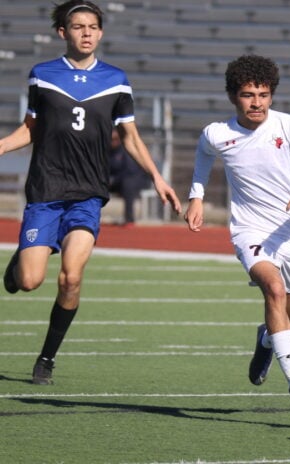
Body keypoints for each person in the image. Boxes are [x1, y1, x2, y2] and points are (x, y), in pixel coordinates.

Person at [0, 0, 181, 385]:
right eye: (78, 26)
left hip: (87, 194)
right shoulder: (42, 75)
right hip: (46, 190)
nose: (86, 32)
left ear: (100, 33)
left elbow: (130, 136)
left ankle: (46, 358)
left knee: (71, 278)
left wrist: (157, 178)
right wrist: (1, 145)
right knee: (30, 281)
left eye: (92, 27)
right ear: (63, 33)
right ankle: (18, 267)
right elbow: (30, 127)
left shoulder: (116, 79)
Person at [184, 55, 290, 414]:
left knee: (287, 314)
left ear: (272, 94)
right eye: (247, 95)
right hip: (250, 230)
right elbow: (202, 155)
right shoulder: (217, 133)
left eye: (263, 94)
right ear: (233, 97)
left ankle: (266, 339)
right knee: (272, 289)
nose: (256, 102)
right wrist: (197, 196)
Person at [109, 128, 150, 225]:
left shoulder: (126, 150)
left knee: (128, 183)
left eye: (115, 139)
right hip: (114, 182)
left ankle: (129, 219)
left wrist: (113, 180)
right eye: (110, 139)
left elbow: (130, 171)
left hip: (134, 181)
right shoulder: (106, 151)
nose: (113, 141)